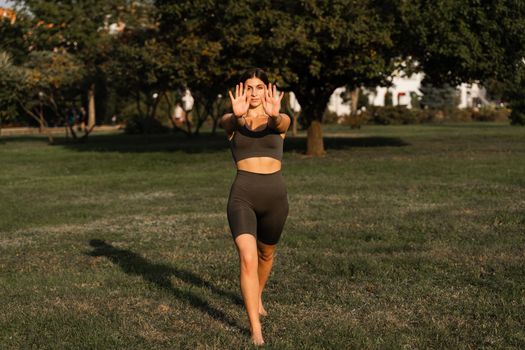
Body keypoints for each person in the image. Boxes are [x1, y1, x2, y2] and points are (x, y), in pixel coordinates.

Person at [220, 68, 291, 346]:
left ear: (267, 90)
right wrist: (236, 116)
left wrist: (274, 114)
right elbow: (226, 120)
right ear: (241, 91)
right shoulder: (233, 122)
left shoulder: (278, 121)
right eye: (248, 87)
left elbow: (283, 122)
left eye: (259, 87)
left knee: (266, 254)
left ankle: (258, 294)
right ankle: (255, 328)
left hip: (275, 198)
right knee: (248, 258)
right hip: (242, 197)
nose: (253, 93)